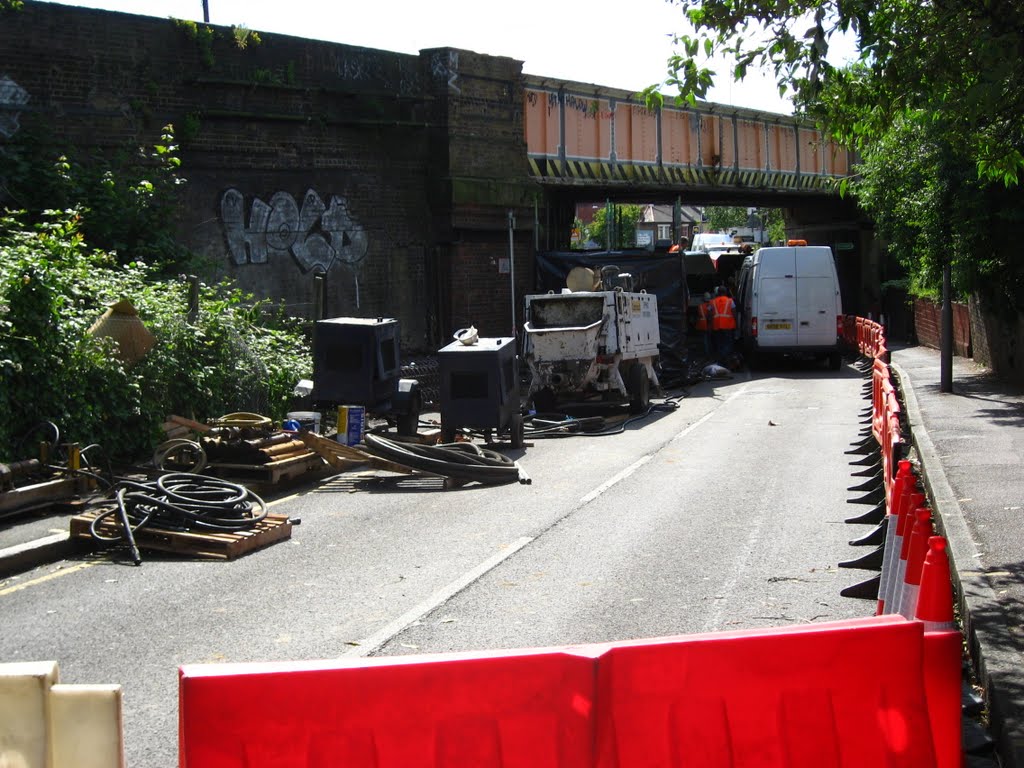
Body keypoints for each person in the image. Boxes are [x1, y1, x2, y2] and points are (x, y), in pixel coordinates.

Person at [710, 285, 737, 363]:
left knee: (719, 343)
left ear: (718, 293)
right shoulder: (730, 301)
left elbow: (710, 315)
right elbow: (734, 313)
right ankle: (725, 358)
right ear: (726, 292)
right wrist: (737, 324)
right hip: (728, 326)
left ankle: (720, 359)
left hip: (716, 326)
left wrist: (711, 326)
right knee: (728, 343)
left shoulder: (712, 302)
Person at [695, 292, 713, 357]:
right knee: (708, 339)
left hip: (701, 324)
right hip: (708, 324)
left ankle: (706, 353)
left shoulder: (700, 306)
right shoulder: (710, 306)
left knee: (705, 339)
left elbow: (698, 315)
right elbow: (709, 316)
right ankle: (708, 353)